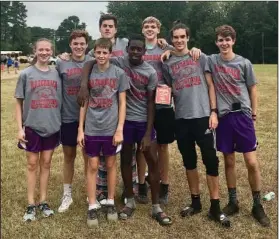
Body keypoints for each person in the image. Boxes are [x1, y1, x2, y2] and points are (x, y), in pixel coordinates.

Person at [79, 35, 173, 226]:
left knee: (152, 161)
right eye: (133, 49)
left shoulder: (150, 72)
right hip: (125, 121)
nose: (136, 52)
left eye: (140, 49)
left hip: (143, 122)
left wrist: (148, 132)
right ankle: (129, 200)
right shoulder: (120, 62)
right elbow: (91, 63)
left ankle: (156, 206)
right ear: (127, 49)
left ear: (145, 52)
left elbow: (150, 103)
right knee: (125, 161)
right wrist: (83, 84)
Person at [162, 22, 230, 227]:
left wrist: (213, 111)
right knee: (189, 161)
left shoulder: (199, 57)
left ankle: (215, 206)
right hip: (181, 118)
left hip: (202, 116)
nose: (179, 40)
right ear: (171, 39)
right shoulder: (167, 62)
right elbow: (169, 89)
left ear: (188, 38)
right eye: (176, 37)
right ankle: (196, 202)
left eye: (183, 37)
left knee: (210, 161)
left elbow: (210, 85)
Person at [207, 25, 270, 227]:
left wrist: (253, 112)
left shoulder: (244, 63)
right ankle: (233, 201)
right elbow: (191, 53)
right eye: (220, 40)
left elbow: (252, 89)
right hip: (224, 117)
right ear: (216, 42)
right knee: (229, 160)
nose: (224, 43)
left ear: (233, 40)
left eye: (227, 39)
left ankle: (257, 204)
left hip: (242, 115)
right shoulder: (212, 60)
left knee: (251, 161)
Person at [77, 38, 130, 227]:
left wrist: (119, 129)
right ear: (94, 53)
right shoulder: (88, 72)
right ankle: (92, 205)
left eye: (104, 52)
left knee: (110, 164)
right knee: (92, 165)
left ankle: (110, 201)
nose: (101, 56)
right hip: (92, 127)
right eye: (98, 52)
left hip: (111, 127)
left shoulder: (119, 73)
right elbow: (83, 102)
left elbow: (123, 102)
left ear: (110, 53)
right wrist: (80, 130)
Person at [14, 38, 62, 222]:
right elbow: (18, 102)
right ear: (35, 50)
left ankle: (43, 201)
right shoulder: (26, 74)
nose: (44, 52)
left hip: (51, 125)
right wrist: (20, 128)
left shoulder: (56, 74)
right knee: (32, 164)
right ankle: (30, 203)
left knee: (47, 163)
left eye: (47, 49)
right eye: (40, 49)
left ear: (51, 51)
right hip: (32, 126)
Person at [56, 30, 92, 213]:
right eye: (75, 43)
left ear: (87, 45)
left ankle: (90, 193)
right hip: (68, 117)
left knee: (89, 158)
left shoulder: (93, 61)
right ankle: (67, 194)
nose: (79, 46)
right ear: (70, 45)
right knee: (69, 157)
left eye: (82, 43)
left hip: (89, 119)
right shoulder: (61, 62)